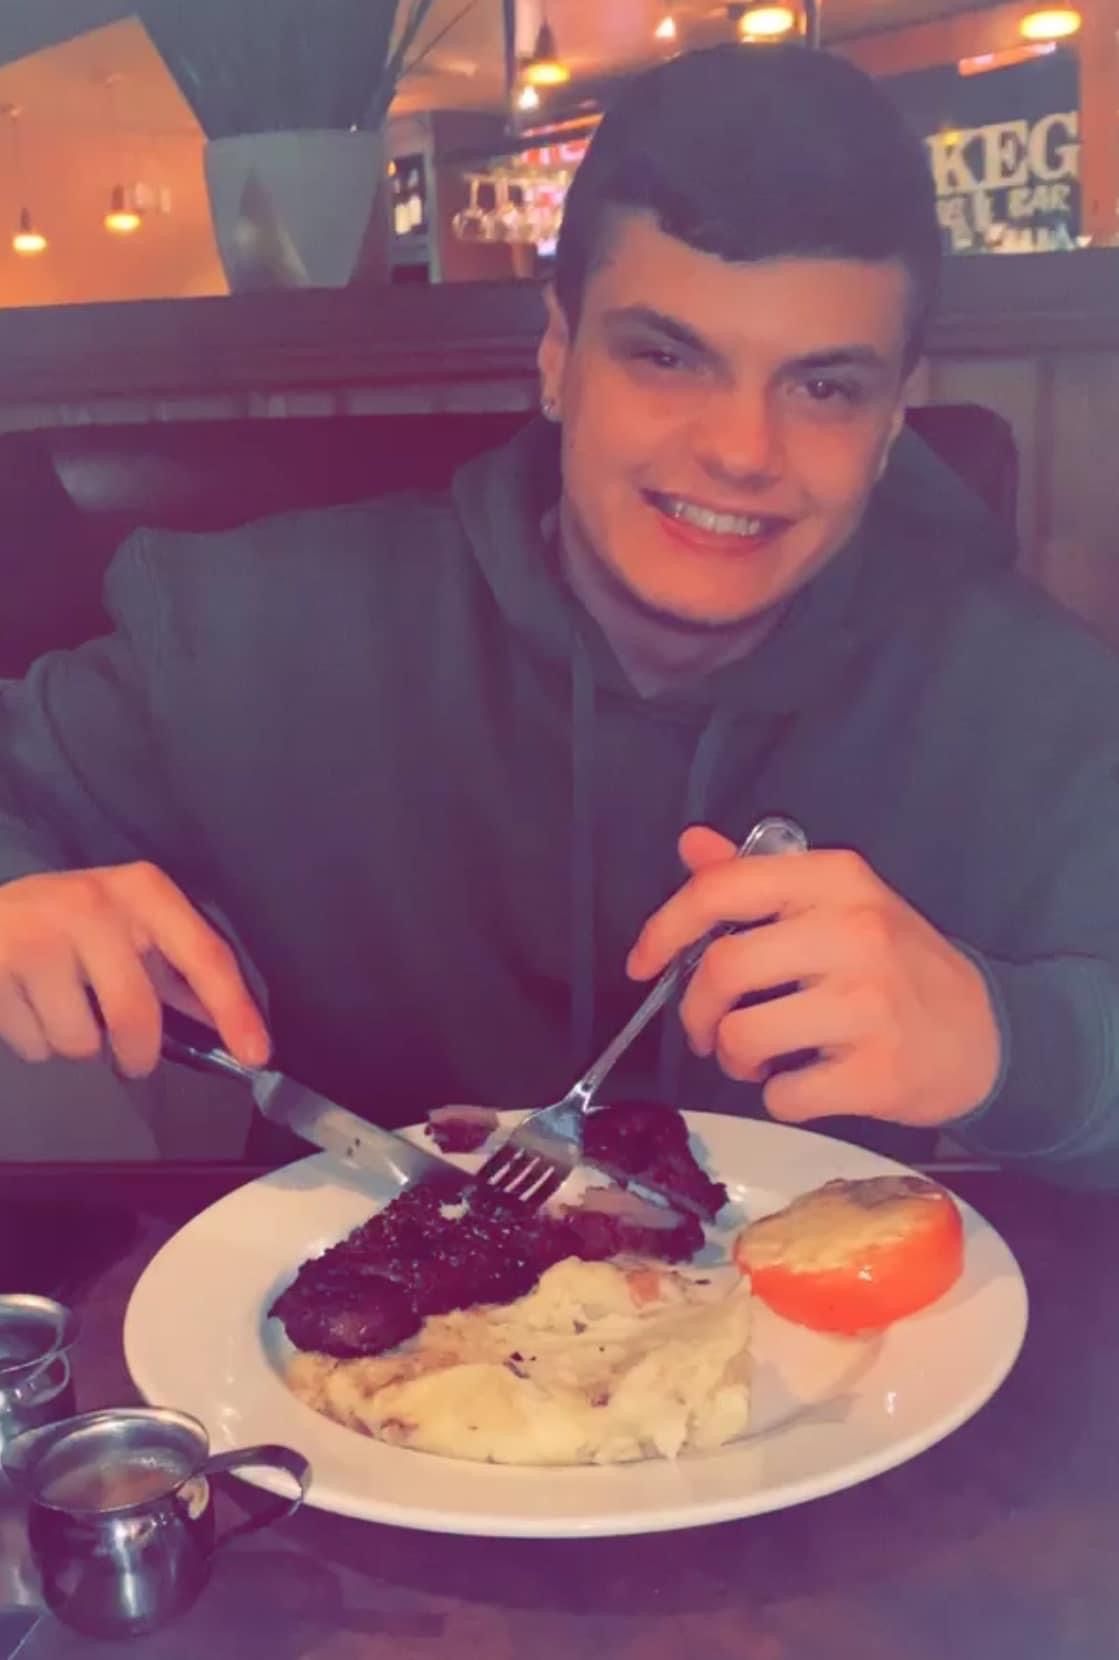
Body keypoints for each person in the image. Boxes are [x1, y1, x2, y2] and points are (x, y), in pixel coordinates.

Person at [0, 41, 1116, 1185]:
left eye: (824, 386)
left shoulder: (1029, 701)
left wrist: (1016, 1048)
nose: (741, 450)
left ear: (891, 422)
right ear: (557, 356)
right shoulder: (261, 630)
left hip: (836, 1352)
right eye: (667, 357)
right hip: (334, 1343)